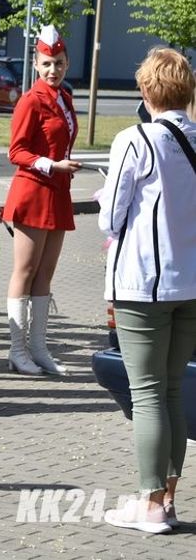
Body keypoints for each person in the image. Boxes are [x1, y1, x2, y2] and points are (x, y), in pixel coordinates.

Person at [98, 48, 196, 534]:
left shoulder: (134, 139)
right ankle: (168, 500)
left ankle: (151, 503)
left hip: (145, 283)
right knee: (172, 390)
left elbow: (110, 214)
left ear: (145, 90)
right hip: (192, 283)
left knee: (149, 394)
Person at [2, 26, 80, 376]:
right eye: (47, 63)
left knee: (46, 273)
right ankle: (17, 350)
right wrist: (52, 164)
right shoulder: (30, 100)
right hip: (33, 190)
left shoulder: (64, 97)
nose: (54, 70)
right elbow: (16, 151)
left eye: (59, 63)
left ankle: (38, 348)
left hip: (58, 191)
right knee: (26, 270)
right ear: (36, 63)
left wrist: (64, 166)